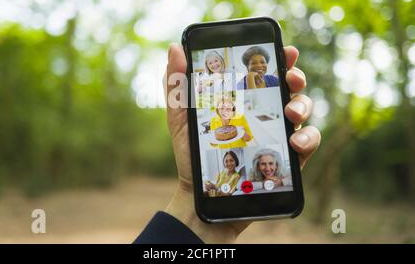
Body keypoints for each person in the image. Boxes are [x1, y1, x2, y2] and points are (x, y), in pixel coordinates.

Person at [134, 44, 321, 244]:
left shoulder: (265, 90)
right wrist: (194, 199)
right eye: (253, 62)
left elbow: (250, 138)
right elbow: (213, 147)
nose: (259, 65)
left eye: (263, 62)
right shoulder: (223, 103)